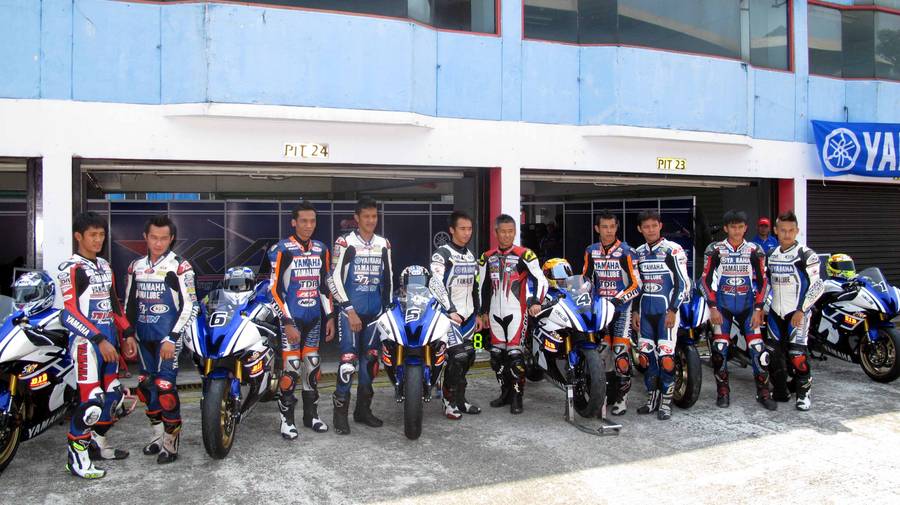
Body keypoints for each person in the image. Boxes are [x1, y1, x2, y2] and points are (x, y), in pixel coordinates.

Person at [58, 211, 137, 479]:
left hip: (110, 343)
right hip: (86, 345)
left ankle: (96, 445)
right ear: (78, 236)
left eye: (101, 234)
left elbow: (114, 304)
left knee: (113, 397)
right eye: (92, 234)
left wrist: (127, 333)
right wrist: (98, 339)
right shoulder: (71, 267)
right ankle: (76, 459)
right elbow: (69, 313)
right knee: (92, 402)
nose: (98, 239)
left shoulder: (104, 265)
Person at [124, 215, 198, 464]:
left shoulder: (180, 266)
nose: (158, 243)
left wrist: (172, 338)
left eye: (164, 238)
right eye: (154, 238)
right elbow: (129, 303)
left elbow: (191, 306)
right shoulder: (135, 266)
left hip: (168, 338)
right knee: (146, 387)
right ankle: (157, 437)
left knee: (165, 388)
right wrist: (128, 334)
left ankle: (170, 442)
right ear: (145, 237)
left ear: (171, 238)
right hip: (143, 337)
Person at [268, 201, 335, 439]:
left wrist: (330, 317)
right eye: (304, 221)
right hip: (292, 319)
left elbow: (325, 286)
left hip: (314, 318)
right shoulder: (281, 249)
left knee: (312, 366)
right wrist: (287, 322)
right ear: (293, 222)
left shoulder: (321, 249)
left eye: (312, 221)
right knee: (291, 368)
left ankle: (311, 416)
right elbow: (274, 290)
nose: (308, 225)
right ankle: (286, 421)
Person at [328, 198, 393, 434]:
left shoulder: (384, 244)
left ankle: (363, 411)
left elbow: (389, 279)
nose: (371, 221)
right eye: (366, 216)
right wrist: (349, 310)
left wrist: (387, 310)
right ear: (357, 218)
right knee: (348, 362)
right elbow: (333, 278)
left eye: (374, 216)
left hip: (374, 313)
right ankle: (340, 415)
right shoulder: (345, 242)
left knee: (371, 362)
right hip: (350, 313)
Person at [699, 210, 775, 411]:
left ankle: (763, 392)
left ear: (746, 228)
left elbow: (764, 281)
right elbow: (704, 280)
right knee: (719, 350)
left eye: (741, 227)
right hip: (722, 307)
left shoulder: (754, 250)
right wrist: (712, 307)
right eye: (733, 227)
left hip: (748, 306)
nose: (737, 230)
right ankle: (723, 392)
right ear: (726, 228)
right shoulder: (715, 249)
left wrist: (759, 308)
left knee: (758, 349)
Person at [478, 214, 548, 415]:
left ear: (515, 232)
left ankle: (517, 397)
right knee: (496, 356)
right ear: (496, 232)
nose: (507, 235)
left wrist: (536, 301)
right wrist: (482, 311)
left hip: (517, 312)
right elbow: (481, 286)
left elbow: (541, 280)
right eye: (503, 231)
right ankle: (505, 393)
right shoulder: (486, 257)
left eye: (510, 231)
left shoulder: (525, 254)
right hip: (494, 313)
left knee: (515, 356)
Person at [631, 210, 690, 421]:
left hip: (666, 313)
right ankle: (652, 399)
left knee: (666, 359)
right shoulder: (638, 253)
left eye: (654, 226)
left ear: (660, 226)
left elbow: (683, 284)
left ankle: (666, 402)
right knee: (645, 358)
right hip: (645, 313)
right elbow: (637, 285)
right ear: (640, 229)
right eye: (646, 227)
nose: (650, 230)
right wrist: (635, 311)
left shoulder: (672, 250)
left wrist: (673, 310)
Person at [582, 211, 640, 415]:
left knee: (620, 354)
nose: (608, 231)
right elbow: (586, 280)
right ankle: (604, 396)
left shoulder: (627, 252)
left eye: (612, 227)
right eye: (604, 227)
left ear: (617, 228)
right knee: (602, 354)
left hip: (622, 310)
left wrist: (618, 300)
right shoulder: (591, 251)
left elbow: (636, 284)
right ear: (597, 228)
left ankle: (622, 400)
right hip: (600, 312)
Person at [765, 211, 823, 411]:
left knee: (797, 354)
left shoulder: (806, 255)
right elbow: (765, 284)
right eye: (783, 230)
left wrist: (801, 310)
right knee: (772, 353)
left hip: (797, 313)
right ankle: (780, 391)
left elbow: (817, 286)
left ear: (797, 231)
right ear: (776, 231)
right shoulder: (770, 255)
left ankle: (803, 394)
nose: (787, 234)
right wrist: (762, 306)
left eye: (791, 230)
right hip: (774, 312)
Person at [430, 210, 484, 420]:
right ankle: (448, 400)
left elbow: (475, 288)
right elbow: (435, 284)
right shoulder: (441, 254)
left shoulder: (471, 256)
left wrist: (478, 314)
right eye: (462, 229)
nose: (467, 233)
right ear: (452, 230)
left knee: (469, 356)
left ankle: (460, 399)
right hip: (448, 316)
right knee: (458, 356)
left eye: (469, 229)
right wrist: (450, 310)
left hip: (468, 317)